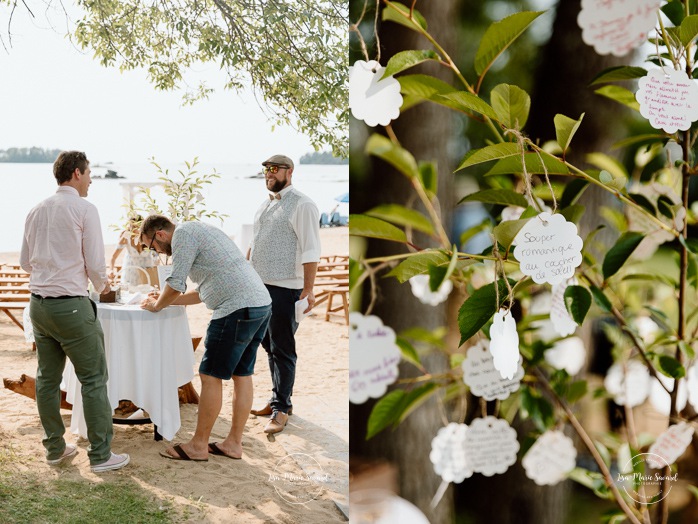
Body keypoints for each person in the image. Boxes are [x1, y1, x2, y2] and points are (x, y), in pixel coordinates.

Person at [19, 150, 130, 473]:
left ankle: (55, 449)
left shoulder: (35, 210)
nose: (92, 179)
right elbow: (96, 263)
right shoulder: (84, 208)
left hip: (38, 306)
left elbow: (26, 263)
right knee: (94, 379)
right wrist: (105, 287)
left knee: (47, 379)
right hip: (70, 306)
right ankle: (100, 456)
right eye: (90, 173)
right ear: (77, 173)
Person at [139, 215, 271, 461]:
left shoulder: (182, 236)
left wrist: (157, 305)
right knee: (242, 375)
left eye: (151, 247)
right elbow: (201, 291)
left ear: (160, 234)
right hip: (260, 305)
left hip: (236, 308)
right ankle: (233, 444)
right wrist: (164, 300)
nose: (155, 252)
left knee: (210, 376)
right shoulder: (199, 229)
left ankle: (199, 445)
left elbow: (176, 283)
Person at [248, 154, 321, 434]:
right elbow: (255, 245)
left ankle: (281, 408)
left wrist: (309, 289)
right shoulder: (264, 206)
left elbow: (312, 249)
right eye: (266, 168)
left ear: (289, 172)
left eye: (274, 169)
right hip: (260, 287)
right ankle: (279, 400)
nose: (269, 173)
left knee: (283, 349)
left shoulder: (303, 205)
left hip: (286, 289)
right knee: (269, 346)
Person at [109, 215, 158, 289]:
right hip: (130, 274)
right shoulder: (126, 237)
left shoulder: (149, 237)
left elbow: (157, 256)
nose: (136, 229)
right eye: (133, 226)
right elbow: (113, 257)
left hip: (147, 274)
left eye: (138, 226)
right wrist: (111, 270)